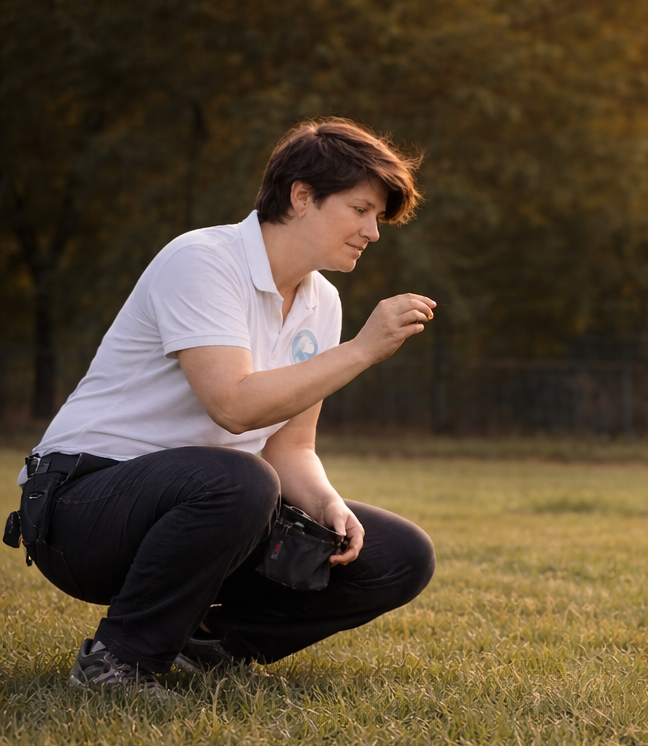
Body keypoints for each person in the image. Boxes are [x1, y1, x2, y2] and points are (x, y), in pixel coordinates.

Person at [7, 118, 438, 700]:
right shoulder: (202, 260)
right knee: (241, 478)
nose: (372, 232)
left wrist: (327, 505)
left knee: (400, 554)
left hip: (217, 503)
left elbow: (291, 444)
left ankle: (206, 644)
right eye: (360, 210)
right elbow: (233, 406)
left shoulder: (323, 301)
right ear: (302, 196)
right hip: (81, 508)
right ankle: (117, 661)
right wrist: (363, 350)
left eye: (377, 217)